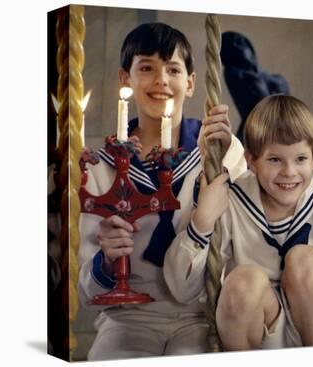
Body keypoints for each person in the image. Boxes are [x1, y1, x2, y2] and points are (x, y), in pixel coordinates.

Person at [77, 22, 247, 360]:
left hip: (202, 313)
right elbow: (85, 290)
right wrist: (107, 259)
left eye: (173, 69)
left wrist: (224, 167)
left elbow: (242, 242)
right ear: (125, 80)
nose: (161, 81)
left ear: (191, 82)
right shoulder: (100, 166)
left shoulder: (220, 151)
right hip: (126, 317)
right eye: (146, 68)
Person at [163, 94, 313, 350]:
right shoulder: (234, 198)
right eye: (275, 159)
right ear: (252, 160)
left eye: (300, 159)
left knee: (304, 260)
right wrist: (202, 222)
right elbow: (182, 289)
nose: (289, 171)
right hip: (255, 325)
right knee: (242, 279)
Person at [220, 31, 290, 141]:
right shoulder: (234, 73)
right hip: (256, 132)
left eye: (240, 42)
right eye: (233, 46)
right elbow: (264, 104)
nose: (239, 47)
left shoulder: (271, 77)